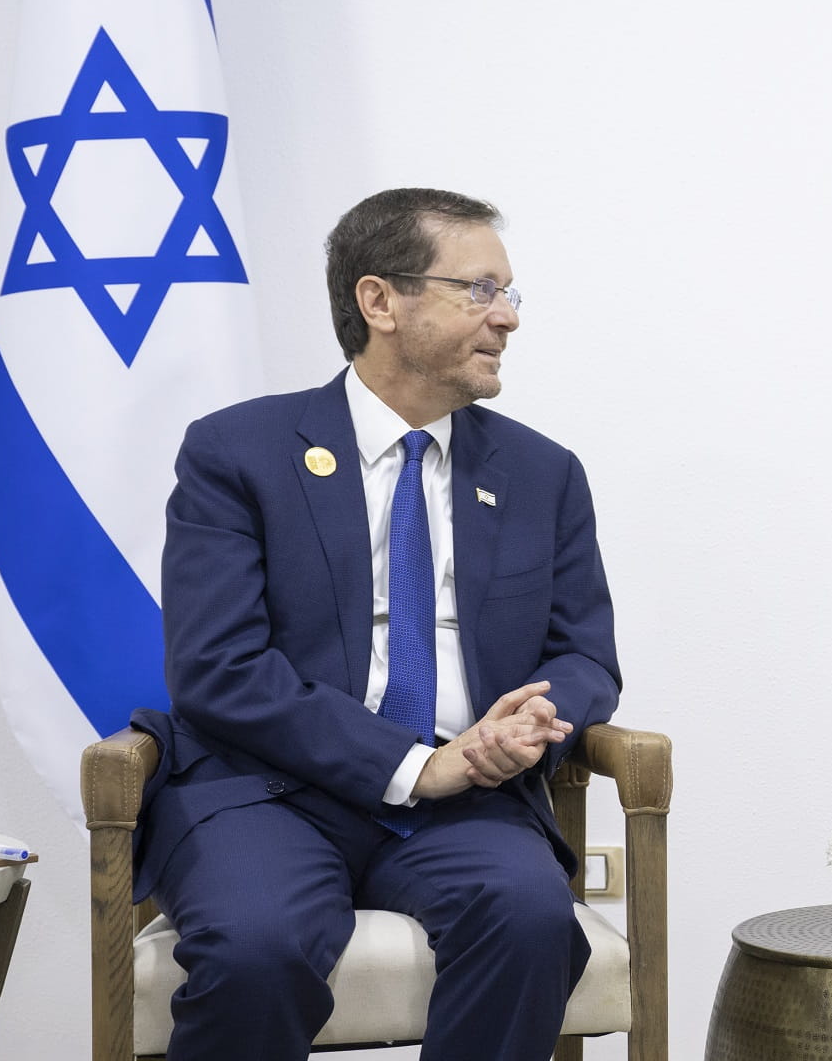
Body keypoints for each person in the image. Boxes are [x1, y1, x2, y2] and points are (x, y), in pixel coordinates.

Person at [129, 188, 621, 1060]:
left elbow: (584, 655)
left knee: (530, 920)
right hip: (266, 791)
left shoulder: (543, 473)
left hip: (471, 797)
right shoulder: (238, 452)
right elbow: (216, 667)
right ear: (380, 301)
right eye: (478, 289)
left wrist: (532, 722)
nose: (506, 317)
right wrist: (414, 765)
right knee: (257, 949)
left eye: (508, 293)